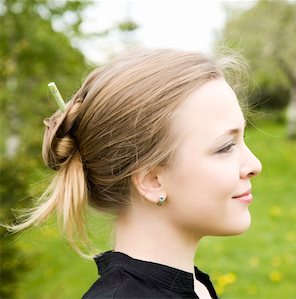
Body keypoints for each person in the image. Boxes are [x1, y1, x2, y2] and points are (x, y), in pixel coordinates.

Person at [5, 48, 262, 298]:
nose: (255, 165)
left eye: (242, 139)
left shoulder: (195, 288)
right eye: (226, 146)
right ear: (152, 181)